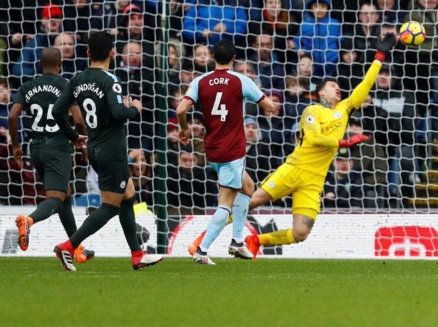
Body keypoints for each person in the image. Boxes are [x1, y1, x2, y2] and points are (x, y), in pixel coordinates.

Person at [240, 33, 397, 258]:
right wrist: (344, 142)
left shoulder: (344, 109)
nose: (337, 88)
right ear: (321, 92)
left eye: (338, 86)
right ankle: (204, 238)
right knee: (252, 201)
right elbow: (314, 139)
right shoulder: (312, 110)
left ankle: (256, 240)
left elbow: (365, 84)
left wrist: (379, 57)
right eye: (332, 85)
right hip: (295, 169)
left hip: (314, 180)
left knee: (300, 233)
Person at [50, 32, 163, 272]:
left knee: (128, 197)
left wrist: (73, 136)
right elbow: (119, 113)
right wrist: (135, 108)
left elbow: (58, 110)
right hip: (112, 151)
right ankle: (68, 246)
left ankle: (137, 255)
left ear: (88, 52)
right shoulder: (110, 79)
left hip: (94, 148)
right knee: (110, 207)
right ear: (112, 52)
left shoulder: (77, 79)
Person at [177, 40, 274, 265]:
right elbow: (269, 106)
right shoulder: (240, 80)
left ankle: (237, 241)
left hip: (212, 148)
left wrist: (184, 129)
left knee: (248, 186)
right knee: (226, 201)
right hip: (233, 150)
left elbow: (181, 109)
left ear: (213, 58)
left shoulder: (200, 81)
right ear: (233, 58)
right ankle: (202, 249)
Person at [8, 47, 93, 263]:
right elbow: (79, 120)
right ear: (60, 65)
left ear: (40, 64)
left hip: (36, 149)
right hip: (58, 148)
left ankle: (76, 247)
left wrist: (16, 146)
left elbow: (12, 116)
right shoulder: (66, 85)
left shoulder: (28, 86)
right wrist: (81, 143)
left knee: (65, 194)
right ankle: (28, 221)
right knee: (56, 199)